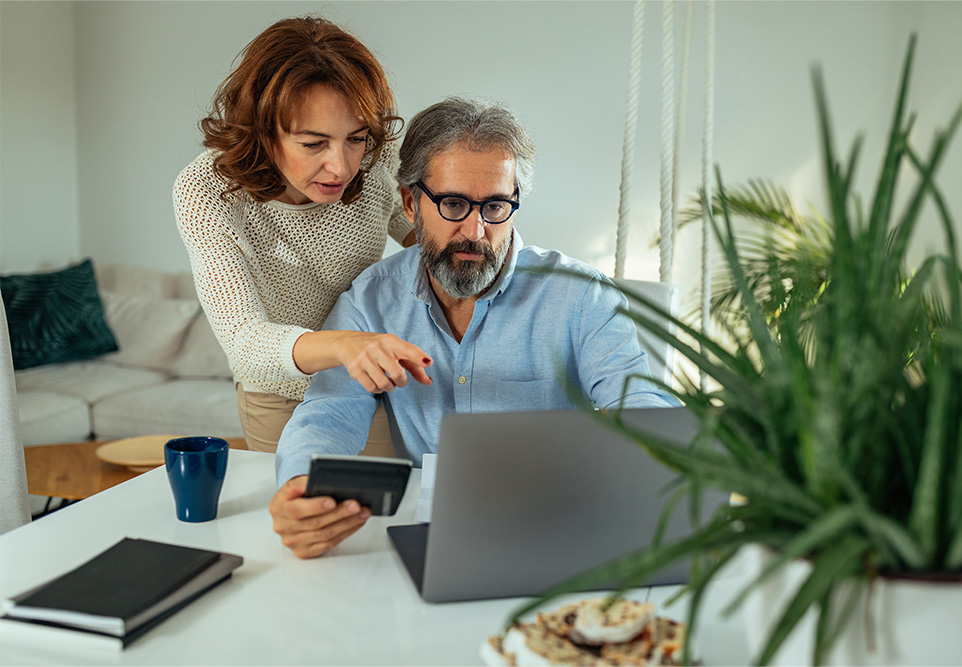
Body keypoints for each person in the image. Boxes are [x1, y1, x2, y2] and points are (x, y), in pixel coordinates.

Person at [268, 97, 678, 559]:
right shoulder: (372, 299)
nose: (477, 231)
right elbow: (329, 413)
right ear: (410, 202)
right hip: (435, 534)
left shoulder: (582, 296)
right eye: (455, 204)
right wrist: (302, 483)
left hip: (560, 527)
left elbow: (639, 399)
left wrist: (651, 451)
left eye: (496, 206)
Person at [173, 16, 432, 453]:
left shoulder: (376, 157)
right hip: (279, 392)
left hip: (370, 375)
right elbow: (244, 340)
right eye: (314, 144)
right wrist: (348, 345)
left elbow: (427, 244)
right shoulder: (208, 192)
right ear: (261, 132)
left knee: (387, 510)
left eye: (356, 138)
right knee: (298, 516)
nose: (342, 166)